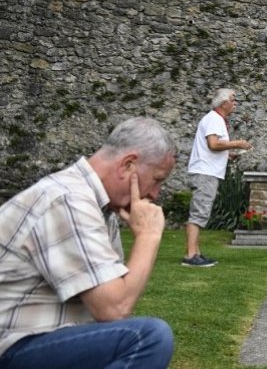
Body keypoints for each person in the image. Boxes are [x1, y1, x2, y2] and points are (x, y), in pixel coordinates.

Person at [0, 117, 177, 369]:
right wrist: (149, 236)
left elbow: (110, 316)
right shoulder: (69, 199)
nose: (155, 194)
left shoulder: (97, 207)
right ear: (128, 164)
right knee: (147, 338)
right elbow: (114, 308)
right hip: (10, 347)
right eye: (158, 179)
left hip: (36, 343)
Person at [184, 88, 253, 267]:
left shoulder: (215, 119)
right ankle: (191, 255)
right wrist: (238, 143)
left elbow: (213, 147)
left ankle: (196, 252)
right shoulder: (214, 119)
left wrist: (228, 155)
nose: (235, 103)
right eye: (233, 99)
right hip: (205, 173)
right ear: (224, 103)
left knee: (201, 211)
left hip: (206, 171)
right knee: (199, 213)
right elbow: (213, 144)